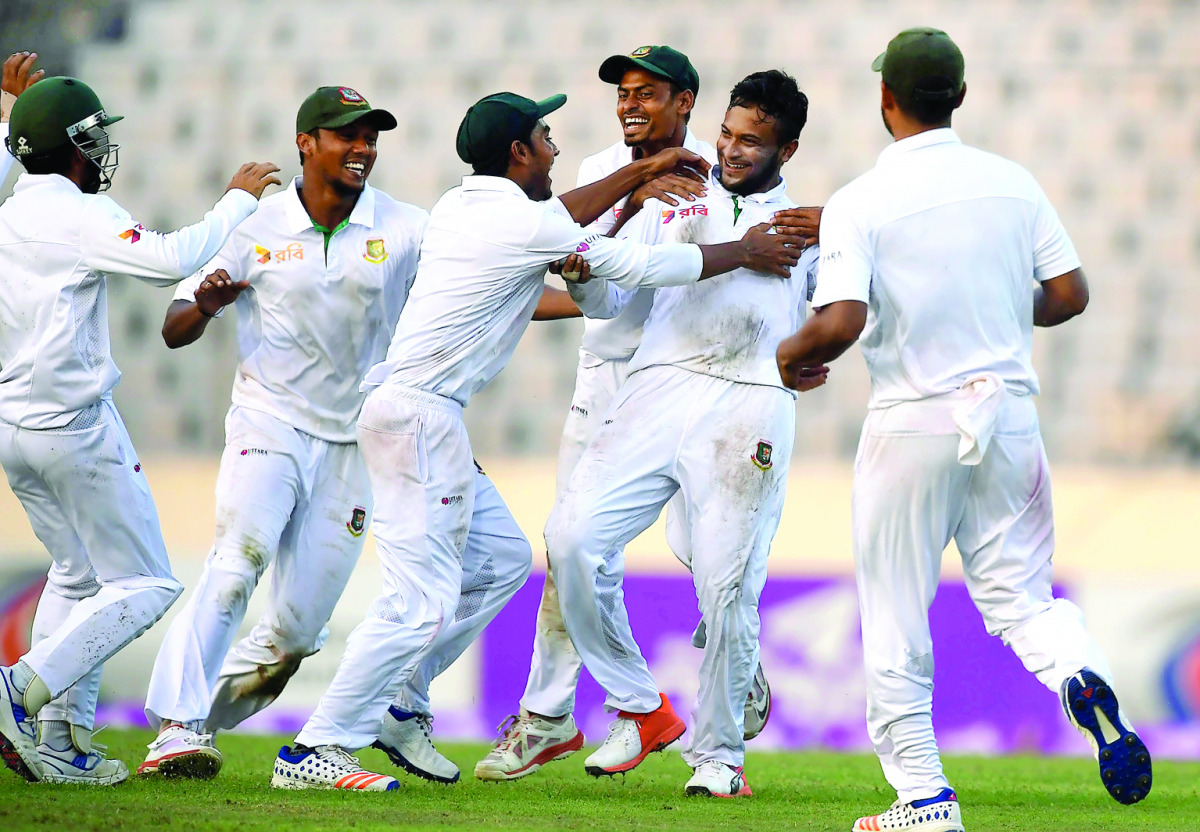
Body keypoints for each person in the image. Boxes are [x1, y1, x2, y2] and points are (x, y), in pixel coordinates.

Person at [269, 90, 806, 791]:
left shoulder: (472, 205)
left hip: (424, 416)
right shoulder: (520, 223)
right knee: (419, 603)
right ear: (520, 153)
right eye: (546, 135)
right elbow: (629, 267)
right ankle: (320, 746)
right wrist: (735, 246)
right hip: (417, 418)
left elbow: (573, 222)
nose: (557, 146)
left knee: (499, 560)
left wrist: (643, 189)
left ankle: (407, 699)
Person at [774, 28, 1151, 832]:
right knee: (1022, 598)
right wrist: (998, 313)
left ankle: (924, 798)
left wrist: (788, 357)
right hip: (1009, 413)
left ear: (886, 101)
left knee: (895, 613)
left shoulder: (861, 200)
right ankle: (1081, 675)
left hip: (914, 420)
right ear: (962, 96)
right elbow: (1070, 294)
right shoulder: (1012, 183)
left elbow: (840, 320)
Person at [138, 86, 458, 780]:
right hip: (269, 423)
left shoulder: (403, 226)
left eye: (371, 137)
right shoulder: (254, 226)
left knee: (296, 636)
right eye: (347, 135)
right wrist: (209, 305)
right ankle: (175, 727)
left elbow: (475, 284)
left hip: (353, 446)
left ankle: (197, 727)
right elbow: (173, 328)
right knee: (234, 566)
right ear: (306, 143)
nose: (363, 148)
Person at [544, 69, 822, 798]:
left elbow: (846, 312)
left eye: (751, 143)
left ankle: (720, 758)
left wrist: (816, 354)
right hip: (658, 384)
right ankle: (638, 703)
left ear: (786, 150)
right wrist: (581, 272)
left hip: (751, 400)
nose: (730, 152)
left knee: (728, 586)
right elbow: (608, 297)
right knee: (572, 539)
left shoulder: (804, 225)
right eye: (727, 135)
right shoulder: (675, 198)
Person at [0, 74, 278, 786]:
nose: (102, 149)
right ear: (72, 147)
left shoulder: (12, 202)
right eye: (93, 135)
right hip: (74, 429)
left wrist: (11, 117)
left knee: (79, 573)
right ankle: (17, 689)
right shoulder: (73, 210)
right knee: (149, 582)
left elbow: (13, 154)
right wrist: (238, 198)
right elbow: (170, 261)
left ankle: (61, 742)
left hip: (15, 427)